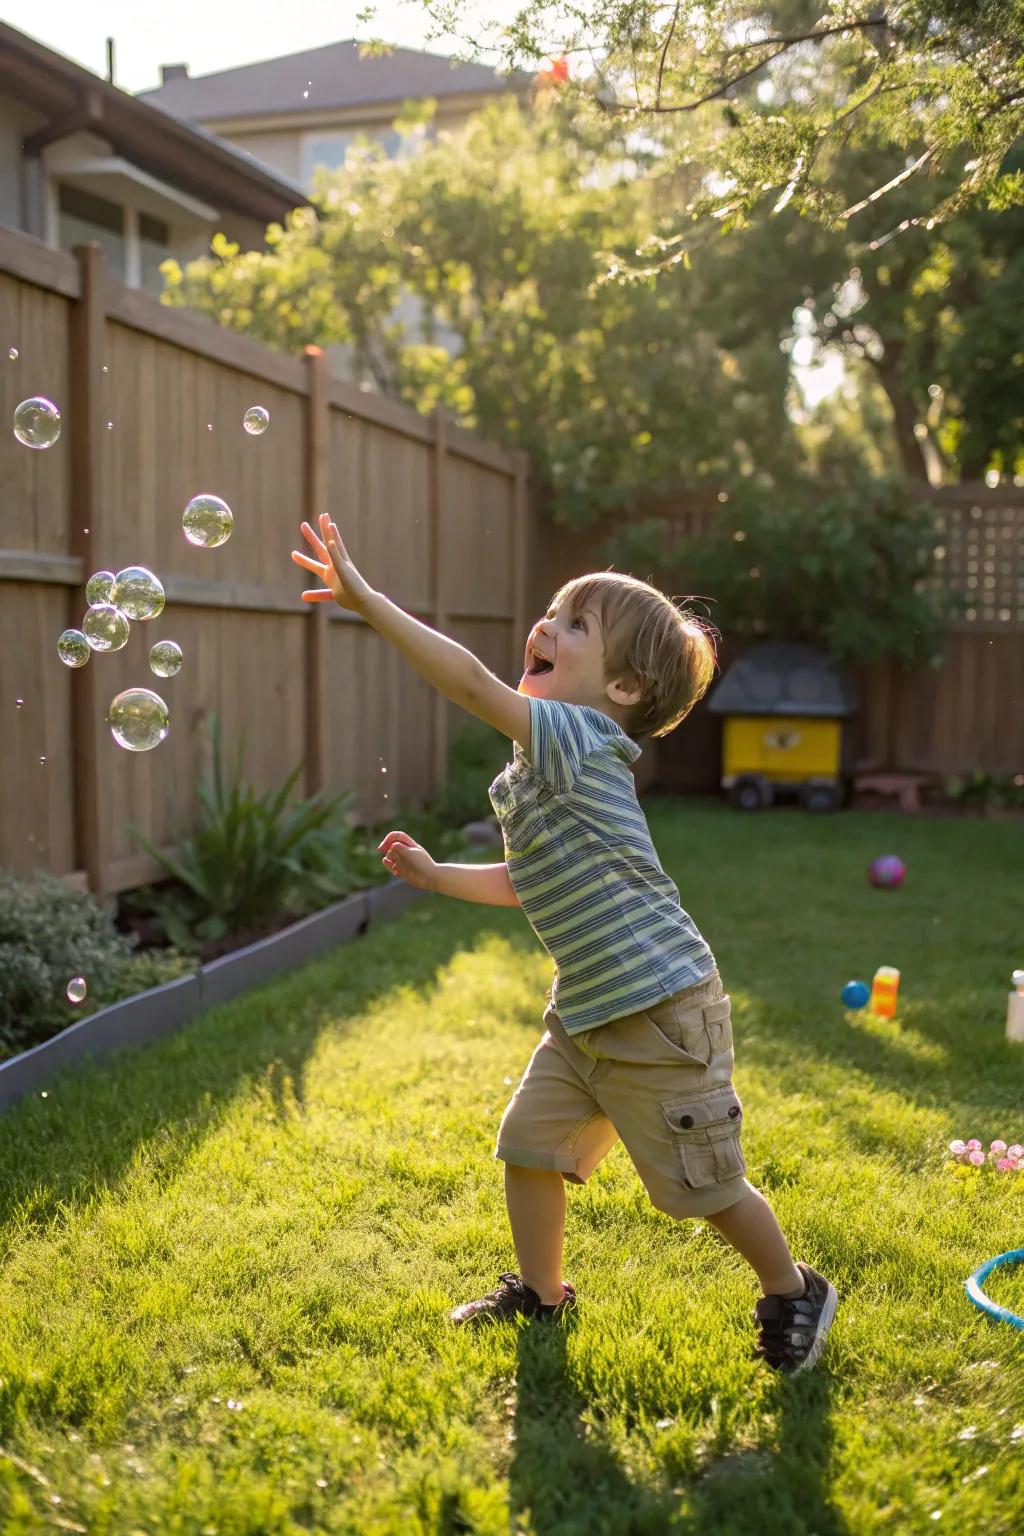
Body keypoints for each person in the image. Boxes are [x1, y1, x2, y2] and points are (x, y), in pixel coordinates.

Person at [292, 513, 838, 1375]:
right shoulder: (534, 768)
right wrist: (441, 876)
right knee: (530, 1147)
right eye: (552, 611)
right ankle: (542, 1297)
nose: (545, 626)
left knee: (700, 1186)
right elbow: (526, 879)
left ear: (622, 690)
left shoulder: (579, 742)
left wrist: (368, 602)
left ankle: (792, 1287)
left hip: (658, 1010)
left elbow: (470, 683)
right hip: (586, 1012)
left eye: (575, 625)